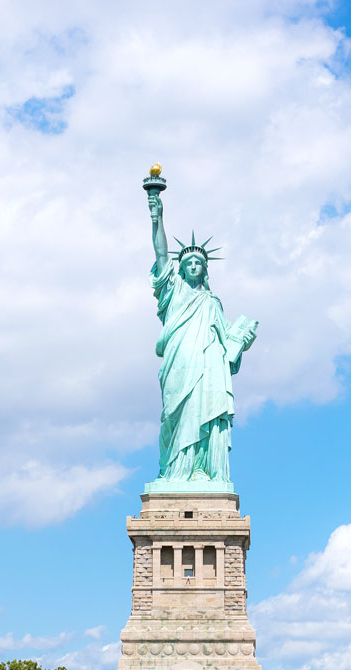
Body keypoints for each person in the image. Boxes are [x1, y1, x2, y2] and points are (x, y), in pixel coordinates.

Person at [147, 187, 256, 486]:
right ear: (180, 269)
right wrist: (157, 217)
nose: (193, 265)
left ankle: (200, 469)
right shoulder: (174, 291)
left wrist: (242, 339)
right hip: (179, 360)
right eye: (188, 263)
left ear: (205, 268)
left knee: (202, 409)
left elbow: (227, 341)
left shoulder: (212, 303)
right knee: (176, 413)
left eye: (198, 262)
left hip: (208, 366)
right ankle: (173, 471)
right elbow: (160, 253)